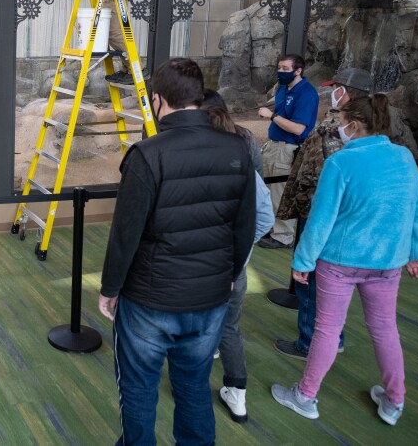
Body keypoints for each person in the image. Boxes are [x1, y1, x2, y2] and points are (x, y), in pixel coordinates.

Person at [98, 58, 256, 444]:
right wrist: (229, 277)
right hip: (210, 297)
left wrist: (110, 288)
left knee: (138, 390)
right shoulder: (238, 148)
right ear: (198, 98)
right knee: (194, 386)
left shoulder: (147, 155)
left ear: (157, 100)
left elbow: (125, 235)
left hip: (151, 299)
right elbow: (244, 226)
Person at [271, 94, 418, 426]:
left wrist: (303, 261)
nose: (338, 126)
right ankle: (394, 401)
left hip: (339, 262)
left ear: (354, 125)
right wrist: (417, 253)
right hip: (387, 263)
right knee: (385, 330)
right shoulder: (404, 159)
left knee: (326, 330)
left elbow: (321, 219)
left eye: (341, 121)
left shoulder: (341, 163)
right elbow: (416, 212)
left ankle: (305, 396)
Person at [272, 67, 372, 360]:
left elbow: (320, 171)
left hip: (322, 212)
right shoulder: (367, 127)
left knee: (311, 281)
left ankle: (309, 342)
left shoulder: (342, 131)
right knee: (330, 283)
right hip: (343, 216)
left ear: (347, 91)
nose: (332, 93)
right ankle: (333, 336)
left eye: (336, 88)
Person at [200, 94, 274, 423]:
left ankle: (191, 384)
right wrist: (241, 249)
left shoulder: (197, 159)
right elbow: (263, 216)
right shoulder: (244, 155)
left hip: (202, 265)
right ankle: (237, 394)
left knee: (195, 327)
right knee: (229, 328)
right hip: (233, 266)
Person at [257, 54, 319, 249]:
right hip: (273, 145)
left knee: (280, 192)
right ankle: (269, 228)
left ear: (298, 70)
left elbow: (299, 129)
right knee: (266, 189)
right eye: (279, 68)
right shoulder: (284, 88)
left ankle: (282, 235)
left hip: (288, 147)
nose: (280, 72)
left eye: (285, 68)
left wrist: (272, 116)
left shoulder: (306, 93)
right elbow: (282, 104)